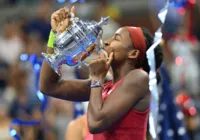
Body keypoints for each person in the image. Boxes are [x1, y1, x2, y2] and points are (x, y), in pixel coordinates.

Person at [40, 6, 163, 140]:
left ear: (133, 53)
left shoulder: (139, 78)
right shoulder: (105, 84)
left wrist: (97, 78)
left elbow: (95, 124)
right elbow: (48, 86)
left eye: (116, 38)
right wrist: (57, 38)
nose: (106, 42)